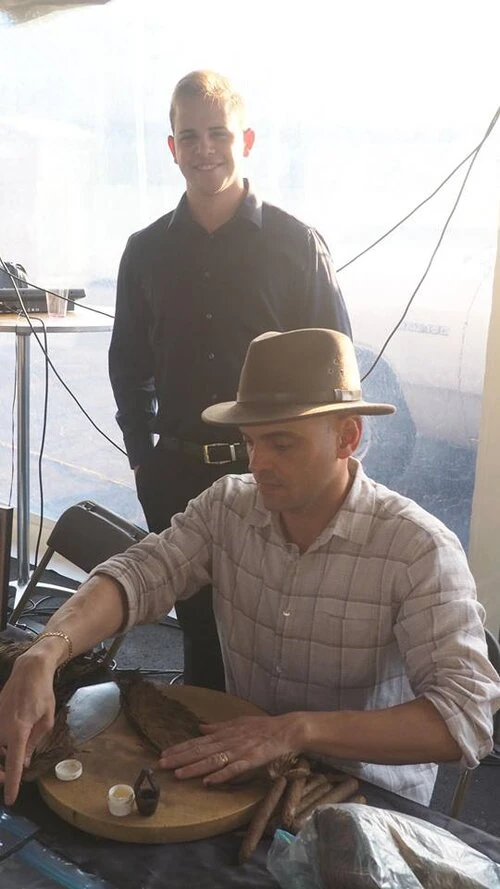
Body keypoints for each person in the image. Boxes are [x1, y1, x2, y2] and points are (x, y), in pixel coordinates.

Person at [1, 328, 499, 808]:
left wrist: (296, 729)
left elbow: (464, 717)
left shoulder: (417, 549)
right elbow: (139, 574)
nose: (258, 463)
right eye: (250, 442)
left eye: (282, 443)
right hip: (242, 772)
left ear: (347, 436)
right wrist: (46, 652)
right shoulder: (230, 507)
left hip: (364, 794)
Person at [108, 70, 352, 691]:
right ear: (171, 147)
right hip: (177, 476)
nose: (204, 149)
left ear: (246, 139)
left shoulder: (297, 245)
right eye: (188, 136)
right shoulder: (144, 252)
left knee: (278, 631)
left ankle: (274, 760)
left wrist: (328, 469)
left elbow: (337, 370)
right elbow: (128, 364)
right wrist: (143, 460)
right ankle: (202, 765)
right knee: (198, 636)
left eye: (217, 133)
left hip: (272, 471)